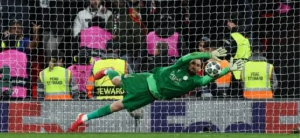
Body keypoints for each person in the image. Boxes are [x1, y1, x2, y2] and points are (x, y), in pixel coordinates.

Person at [68, 48, 245, 131]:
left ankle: (82, 118)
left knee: (117, 106)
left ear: (200, 68)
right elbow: (190, 55)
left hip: (151, 96)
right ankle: (106, 70)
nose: (194, 64)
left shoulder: (196, 81)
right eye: (194, 63)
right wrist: (208, 54)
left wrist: (228, 68)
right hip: (146, 81)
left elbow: (209, 77)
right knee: (115, 81)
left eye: (198, 65)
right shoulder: (180, 64)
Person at [0, 34, 29, 98]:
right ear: (17, 44)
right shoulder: (24, 56)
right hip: (21, 92)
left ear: (3, 44)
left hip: (3, 93)